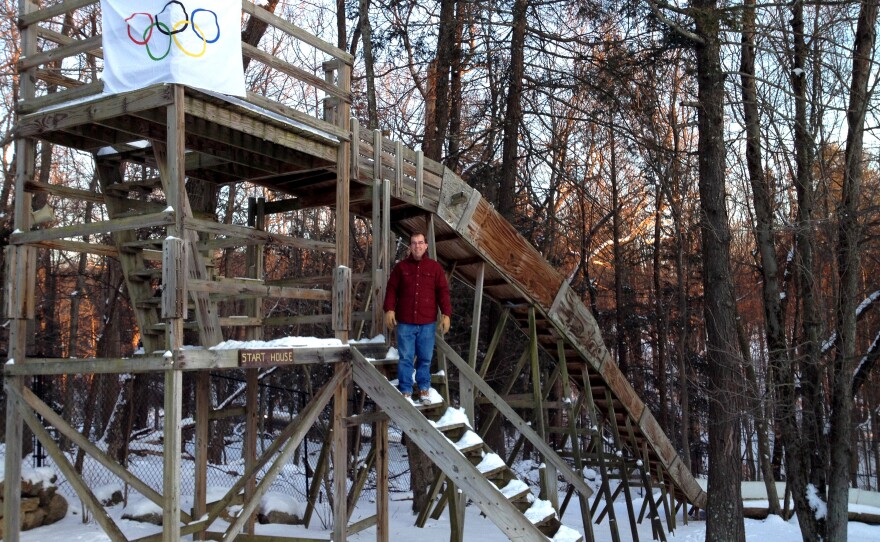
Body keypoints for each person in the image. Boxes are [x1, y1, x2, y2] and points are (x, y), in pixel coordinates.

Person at [383, 232, 451, 405]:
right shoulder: (401, 268)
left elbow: (443, 292)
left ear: (426, 245)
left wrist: (446, 314)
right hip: (405, 321)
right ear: (410, 246)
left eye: (420, 243)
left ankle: (423, 390)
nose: (417, 246)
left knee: (425, 358)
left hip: (427, 322)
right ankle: (405, 390)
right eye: (414, 243)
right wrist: (389, 309)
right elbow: (391, 289)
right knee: (406, 357)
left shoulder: (435, 268)